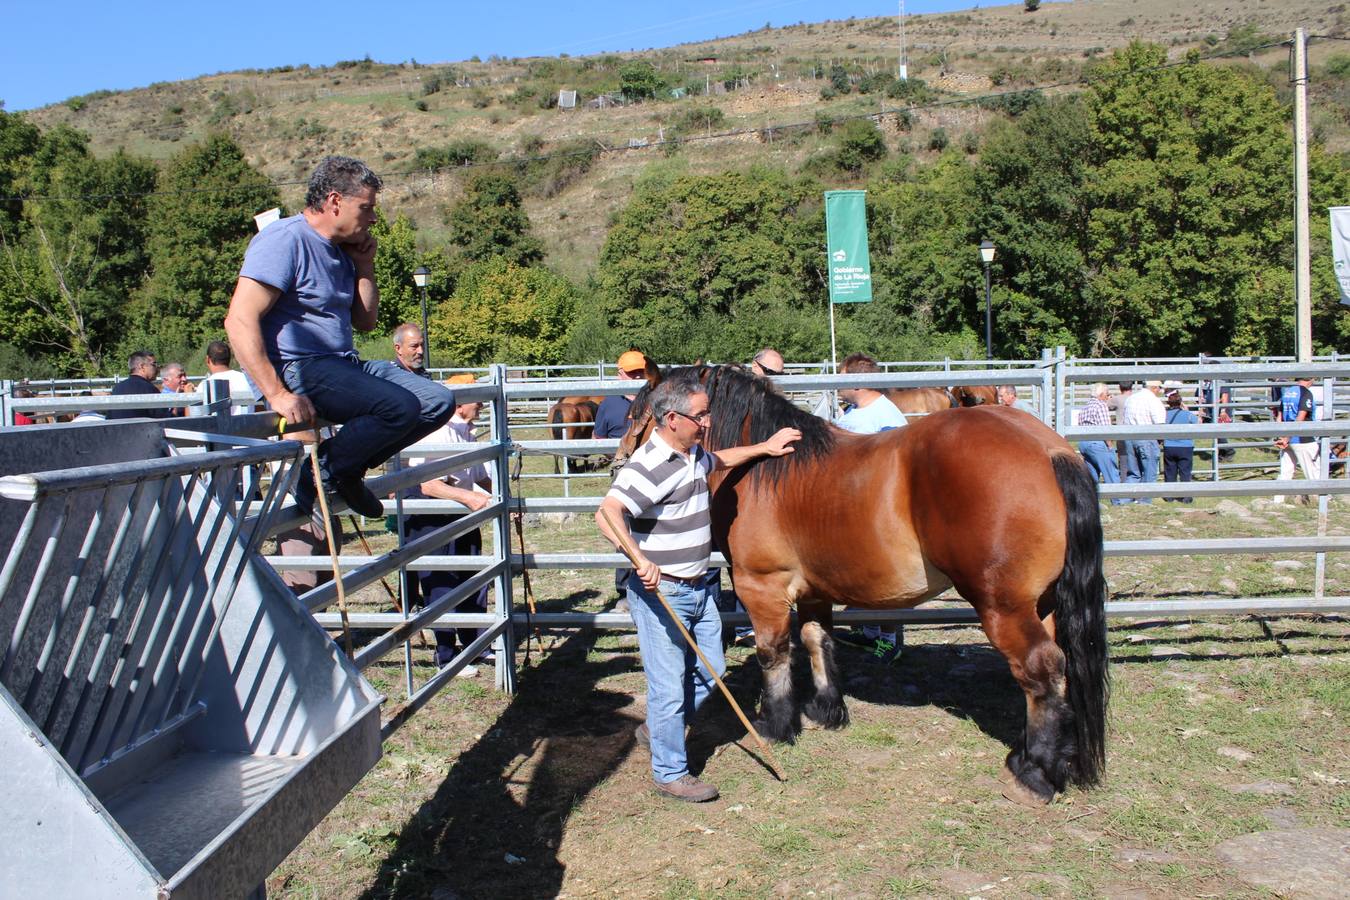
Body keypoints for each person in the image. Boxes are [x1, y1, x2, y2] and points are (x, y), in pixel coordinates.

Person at [595, 373, 800, 803]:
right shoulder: (648, 466)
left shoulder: (691, 455)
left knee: (714, 669)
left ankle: (656, 728)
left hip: (700, 588)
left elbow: (720, 458)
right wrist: (639, 559)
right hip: (662, 592)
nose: (708, 421)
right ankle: (671, 772)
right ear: (672, 418)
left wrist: (764, 447)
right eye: (701, 415)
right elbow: (607, 513)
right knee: (668, 688)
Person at [224, 155, 454, 519]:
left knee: (437, 400)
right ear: (334, 201)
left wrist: (364, 265)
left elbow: (365, 321)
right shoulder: (284, 240)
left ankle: (340, 468)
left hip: (342, 363)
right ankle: (327, 473)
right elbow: (239, 319)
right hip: (301, 367)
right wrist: (276, 393)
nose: (373, 218)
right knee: (400, 407)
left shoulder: (342, 253)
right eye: (366, 208)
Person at [406, 374, 494, 674]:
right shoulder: (437, 433)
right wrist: (468, 498)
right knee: (442, 584)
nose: (481, 403)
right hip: (434, 517)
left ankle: (475, 644)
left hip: (462, 515)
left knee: (472, 578)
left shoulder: (466, 432)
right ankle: (446, 655)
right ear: (458, 405)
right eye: (476, 398)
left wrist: (501, 498)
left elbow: (480, 476)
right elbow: (428, 484)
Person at [832, 353, 907, 664]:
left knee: (884, 574)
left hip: (875, 508)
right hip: (855, 504)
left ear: (857, 383)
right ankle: (871, 632)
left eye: (841, 378)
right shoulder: (861, 411)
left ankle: (888, 641)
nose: (836, 384)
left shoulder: (886, 417)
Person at [594, 350, 650, 606]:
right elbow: (597, 440)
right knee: (623, 528)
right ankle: (626, 588)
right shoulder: (609, 404)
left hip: (655, 475)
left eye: (641, 372)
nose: (638, 377)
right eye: (632, 373)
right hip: (624, 477)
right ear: (620, 374)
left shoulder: (657, 400)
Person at [1273, 376, 1320, 505]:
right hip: (1302, 438)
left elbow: (1279, 416)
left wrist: (1282, 437)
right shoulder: (1305, 393)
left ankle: (1278, 501)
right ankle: (1321, 500)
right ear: (1311, 379)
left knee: (1285, 472)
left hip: (1287, 439)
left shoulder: (1288, 392)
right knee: (1313, 470)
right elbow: (1301, 417)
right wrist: (1289, 437)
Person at [1076, 383, 1123, 501]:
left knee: (1092, 476)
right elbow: (1105, 428)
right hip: (1097, 443)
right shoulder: (1101, 405)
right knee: (1111, 472)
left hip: (1084, 443)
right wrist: (1110, 446)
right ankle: (1118, 500)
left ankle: (1091, 501)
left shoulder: (1085, 407)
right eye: (1108, 395)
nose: (1108, 397)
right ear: (1101, 395)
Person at [1121, 380, 1166, 503]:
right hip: (1147, 437)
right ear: (1154, 388)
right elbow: (1159, 423)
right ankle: (1145, 501)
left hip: (1130, 437)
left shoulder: (1131, 399)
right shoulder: (1154, 401)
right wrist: (1160, 440)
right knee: (1149, 471)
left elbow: (1124, 418)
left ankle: (1124, 500)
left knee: (1133, 473)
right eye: (1159, 388)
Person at [108, 351, 171, 420]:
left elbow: (109, 418)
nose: (157, 368)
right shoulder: (149, 389)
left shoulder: (117, 388)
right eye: (154, 364)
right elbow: (165, 420)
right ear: (142, 366)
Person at [197, 340, 254, 415]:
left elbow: (194, 418)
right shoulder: (247, 379)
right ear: (229, 358)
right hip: (248, 425)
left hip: (217, 426)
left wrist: (188, 395)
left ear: (208, 359)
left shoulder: (204, 385)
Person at [1196, 356, 1234, 462]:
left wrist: (1223, 411)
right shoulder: (1211, 381)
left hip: (1220, 411)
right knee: (1216, 433)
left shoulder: (1222, 380)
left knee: (1219, 434)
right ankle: (1221, 455)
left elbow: (1225, 396)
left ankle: (1229, 451)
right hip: (1212, 410)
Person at [1162, 391, 1197, 502]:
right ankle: (1186, 497)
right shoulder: (1187, 415)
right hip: (1185, 446)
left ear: (1169, 403)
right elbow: (1197, 423)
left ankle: (1169, 496)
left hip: (1169, 446)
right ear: (1180, 402)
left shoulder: (1165, 414)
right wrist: (1187, 410)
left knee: (1170, 471)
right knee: (1185, 472)